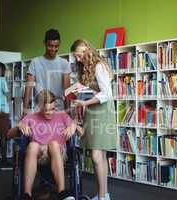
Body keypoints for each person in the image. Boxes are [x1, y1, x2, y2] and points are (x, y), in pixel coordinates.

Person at [8, 90, 83, 200]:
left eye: (52, 109)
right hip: (39, 155)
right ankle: (27, 194)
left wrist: (74, 126)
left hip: (58, 153)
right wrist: (19, 126)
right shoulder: (31, 117)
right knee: (33, 145)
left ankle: (62, 192)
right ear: (39, 107)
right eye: (46, 110)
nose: (50, 113)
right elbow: (8, 135)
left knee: (53, 144)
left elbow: (82, 132)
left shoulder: (62, 116)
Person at [71, 39, 116, 200]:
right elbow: (87, 91)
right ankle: (103, 195)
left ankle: (102, 196)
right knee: (100, 156)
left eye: (79, 55)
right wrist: (78, 95)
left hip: (102, 111)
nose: (77, 59)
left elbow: (107, 94)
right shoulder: (86, 69)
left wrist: (85, 102)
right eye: (75, 57)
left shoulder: (99, 66)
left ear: (87, 50)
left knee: (97, 156)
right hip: (91, 110)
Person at [23, 28, 71, 114]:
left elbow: (67, 89)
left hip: (58, 110)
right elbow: (29, 87)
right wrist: (25, 110)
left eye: (56, 46)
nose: (53, 49)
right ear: (44, 43)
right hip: (40, 110)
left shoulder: (64, 63)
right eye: (50, 46)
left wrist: (68, 112)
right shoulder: (35, 62)